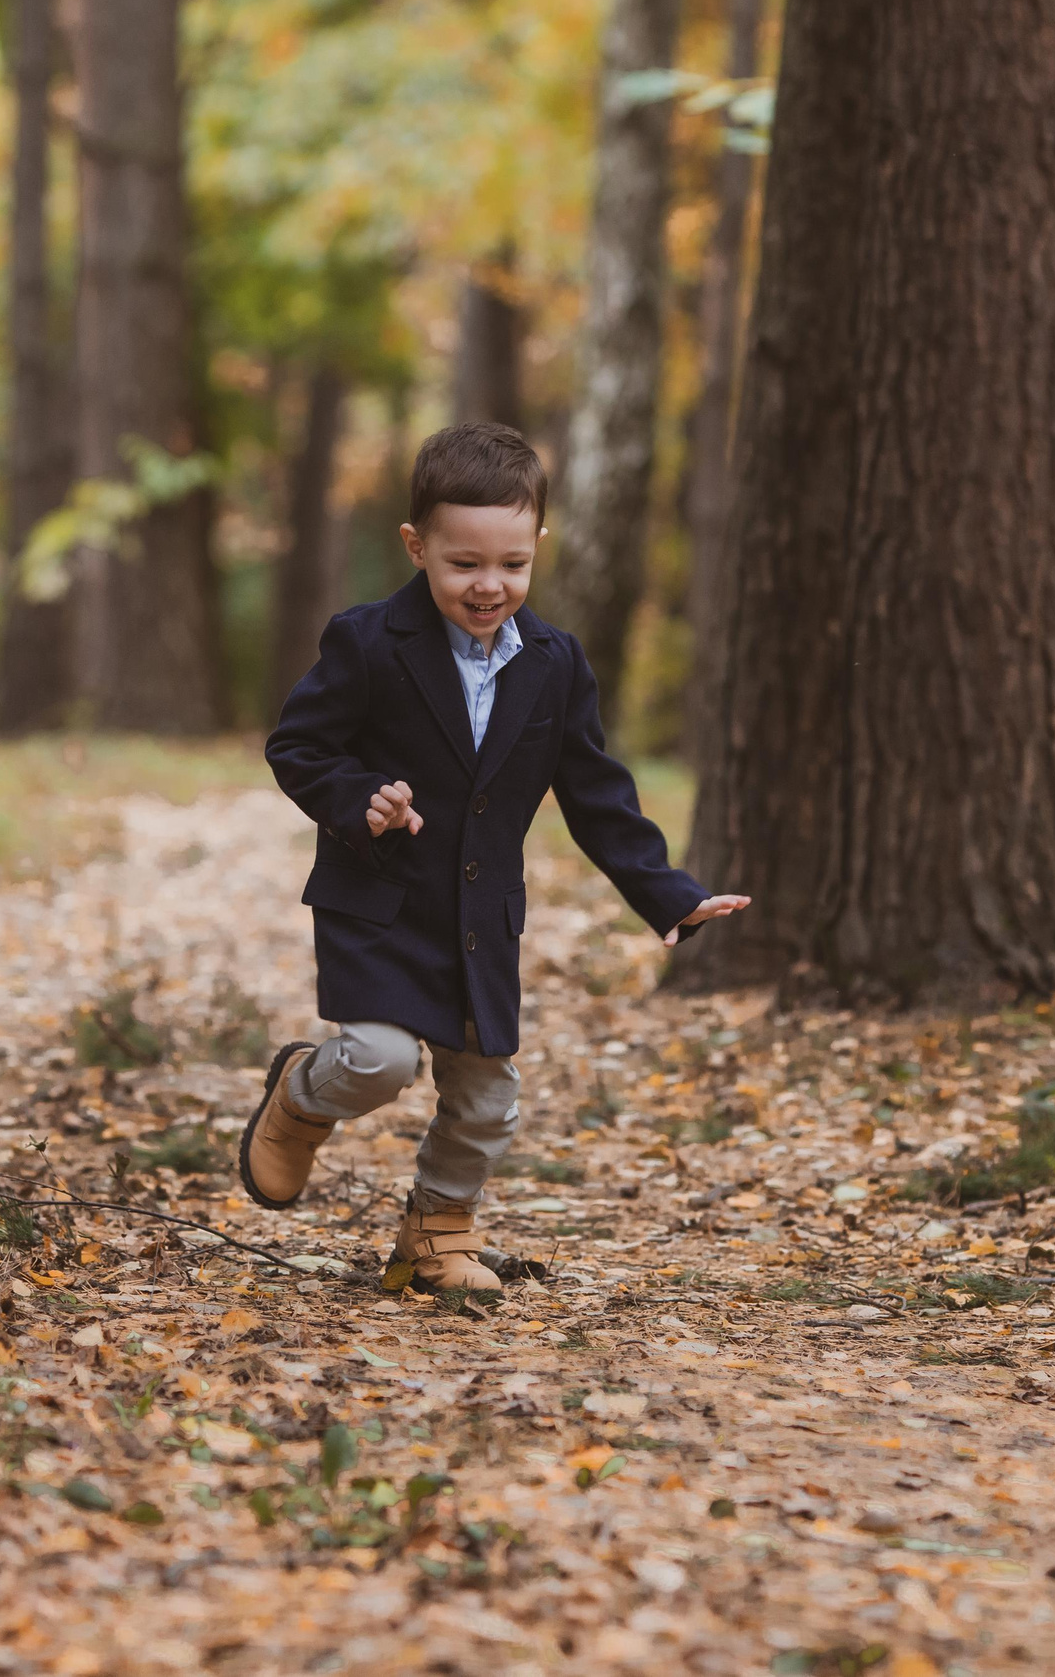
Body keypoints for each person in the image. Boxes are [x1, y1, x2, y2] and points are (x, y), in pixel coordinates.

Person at [246, 421, 749, 1292]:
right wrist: (357, 798)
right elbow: (300, 746)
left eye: (512, 565)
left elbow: (596, 791)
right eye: (464, 564)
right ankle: (298, 1096)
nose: (489, 586)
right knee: (381, 1059)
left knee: (486, 1096)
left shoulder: (554, 664)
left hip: (480, 922)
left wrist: (666, 893)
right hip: (381, 905)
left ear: (537, 549)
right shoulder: (367, 642)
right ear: (417, 546)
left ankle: (438, 1231)